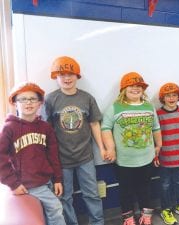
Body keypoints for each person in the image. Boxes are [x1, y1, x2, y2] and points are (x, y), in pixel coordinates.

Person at [43, 56, 105, 225]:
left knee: (92, 194)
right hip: (61, 159)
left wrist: (102, 148)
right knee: (64, 197)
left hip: (86, 157)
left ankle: (97, 222)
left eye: (70, 74)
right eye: (62, 75)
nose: (67, 78)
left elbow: (94, 124)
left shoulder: (87, 98)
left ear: (77, 76)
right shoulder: (50, 100)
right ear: (56, 78)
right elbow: (46, 130)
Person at [0, 82, 66, 225]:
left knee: (54, 210)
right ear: (15, 103)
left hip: (45, 181)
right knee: (56, 208)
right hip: (24, 185)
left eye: (32, 99)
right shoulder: (9, 128)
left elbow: (53, 155)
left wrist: (58, 179)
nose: (28, 102)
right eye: (22, 99)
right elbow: (1, 158)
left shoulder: (45, 127)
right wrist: (13, 184)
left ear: (40, 103)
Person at [101, 72, 162, 225]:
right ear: (123, 89)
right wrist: (111, 148)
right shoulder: (115, 107)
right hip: (124, 160)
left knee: (145, 189)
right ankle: (128, 218)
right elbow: (105, 128)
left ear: (143, 89)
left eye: (139, 86)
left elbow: (156, 127)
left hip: (146, 158)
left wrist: (159, 145)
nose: (135, 89)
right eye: (131, 86)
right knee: (126, 191)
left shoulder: (149, 106)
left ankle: (146, 215)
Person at [156, 83, 179, 225]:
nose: (171, 98)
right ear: (162, 98)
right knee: (165, 184)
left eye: (174, 95)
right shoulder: (158, 114)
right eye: (168, 95)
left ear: (178, 97)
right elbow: (154, 137)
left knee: (178, 182)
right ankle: (165, 209)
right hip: (164, 158)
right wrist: (155, 156)